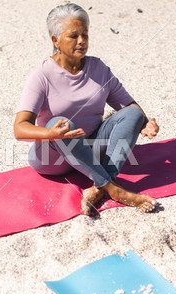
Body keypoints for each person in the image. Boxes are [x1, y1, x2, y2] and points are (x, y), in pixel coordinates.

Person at [13, 3, 160, 215]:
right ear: (55, 40)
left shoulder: (98, 68)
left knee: (134, 114)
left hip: (92, 150)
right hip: (53, 158)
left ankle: (102, 184)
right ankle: (113, 188)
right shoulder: (41, 76)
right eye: (73, 36)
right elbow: (19, 128)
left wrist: (145, 123)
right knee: (60, 123)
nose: (81, 41)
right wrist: (50, 133)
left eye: (85, 34)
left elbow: (129, 106)